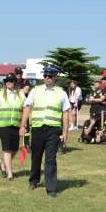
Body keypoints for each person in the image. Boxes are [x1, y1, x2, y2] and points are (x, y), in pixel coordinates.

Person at [20, 65, 71, 197]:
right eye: (45, 76)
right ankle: (34, 180)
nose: (47, 78)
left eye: (50, 76)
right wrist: (23, 125)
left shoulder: (61, 93)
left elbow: (65, 113)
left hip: (54, 130)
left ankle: (51, 188)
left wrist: (65, 132)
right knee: (36, 156)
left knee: (50, 159)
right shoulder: (35, 90)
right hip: (37, 128)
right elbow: (27, 107)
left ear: (55, 77)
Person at [0, 74, 25, 180]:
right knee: (7, 149)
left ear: (15, 82)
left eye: (11, 80)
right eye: (7, 81)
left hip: (16, 126)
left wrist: (24, 126)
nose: (8, 82)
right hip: (3, 126)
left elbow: (24, 111)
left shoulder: (21, 94)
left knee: (14, 149)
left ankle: (4, 165)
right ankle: (10, 173)